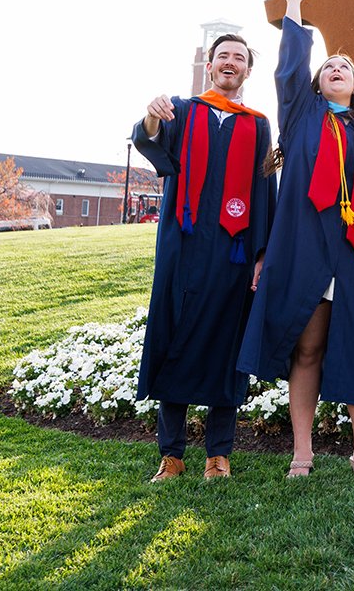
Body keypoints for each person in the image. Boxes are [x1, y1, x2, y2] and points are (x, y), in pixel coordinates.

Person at [237, 0, 354, 478]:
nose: (336, 70)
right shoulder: (300, 117)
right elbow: (289, 72)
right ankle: (302, 453)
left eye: (345, 69)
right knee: (308, 346)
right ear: (318, 84)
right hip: (305, 248)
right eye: (328, 68)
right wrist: (294, 14)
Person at [133, 33, 276, 482]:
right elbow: (151, 141)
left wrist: (260, 254)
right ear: (210, 66)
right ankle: (171, 455)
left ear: (248, 71)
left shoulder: (257, 124)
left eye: (239, 57)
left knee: (225, 343)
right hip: (183, 246)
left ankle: (219, 455)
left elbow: (262, 191)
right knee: (173, 334)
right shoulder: (183, 110)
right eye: (222, 56)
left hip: (233, 252)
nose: (230, 62)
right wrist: (152, 118)